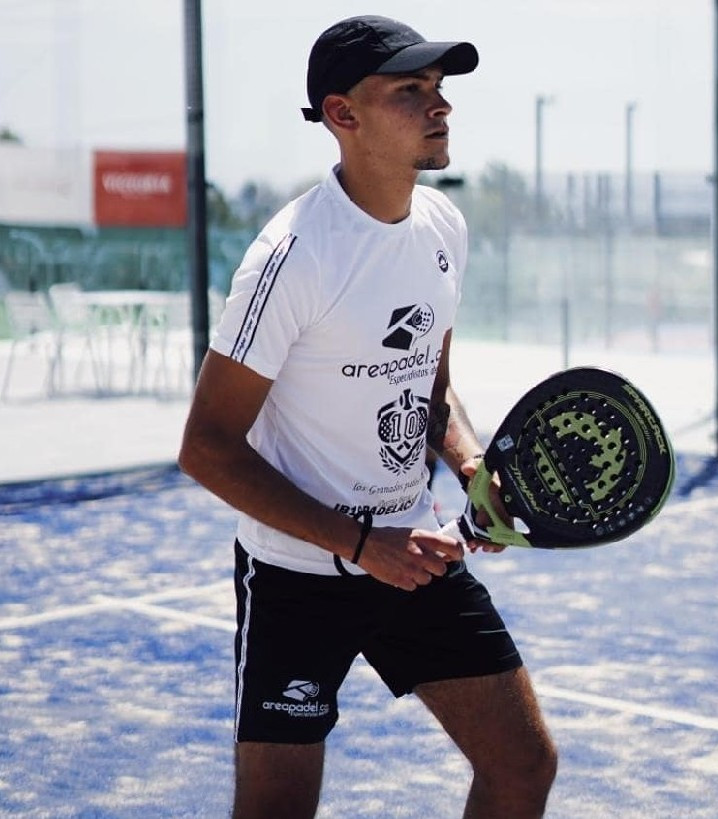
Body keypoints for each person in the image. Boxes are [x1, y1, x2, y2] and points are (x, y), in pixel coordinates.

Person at [178, 15, 557, 818]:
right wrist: (358, 544)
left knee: (523, 765)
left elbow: (430, 386)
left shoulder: (442, 227)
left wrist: (469, 464)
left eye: (439, 88)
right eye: (410, 90)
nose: (439, 105)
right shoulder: (292, 257)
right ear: (342, 114)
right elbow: (206, 448)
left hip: (414, 555)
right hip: (298, 576)